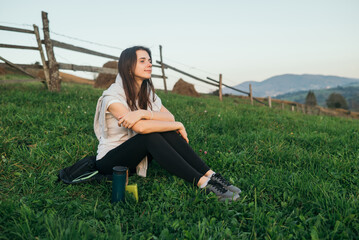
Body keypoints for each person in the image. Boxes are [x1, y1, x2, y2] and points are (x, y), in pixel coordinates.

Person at [94, 46, 241, 201]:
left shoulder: (146, 93)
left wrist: (143, 113)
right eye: (142, 61)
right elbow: (140, 128)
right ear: (128, 67)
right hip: (110, 163)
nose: (149, 64)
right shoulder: (112, 97)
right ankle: (204, 184)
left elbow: (169, 117)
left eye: (150, 61)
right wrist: (178, 125)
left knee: (165, 131)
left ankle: (212, 175)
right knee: (150, 136)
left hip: (135, 157)